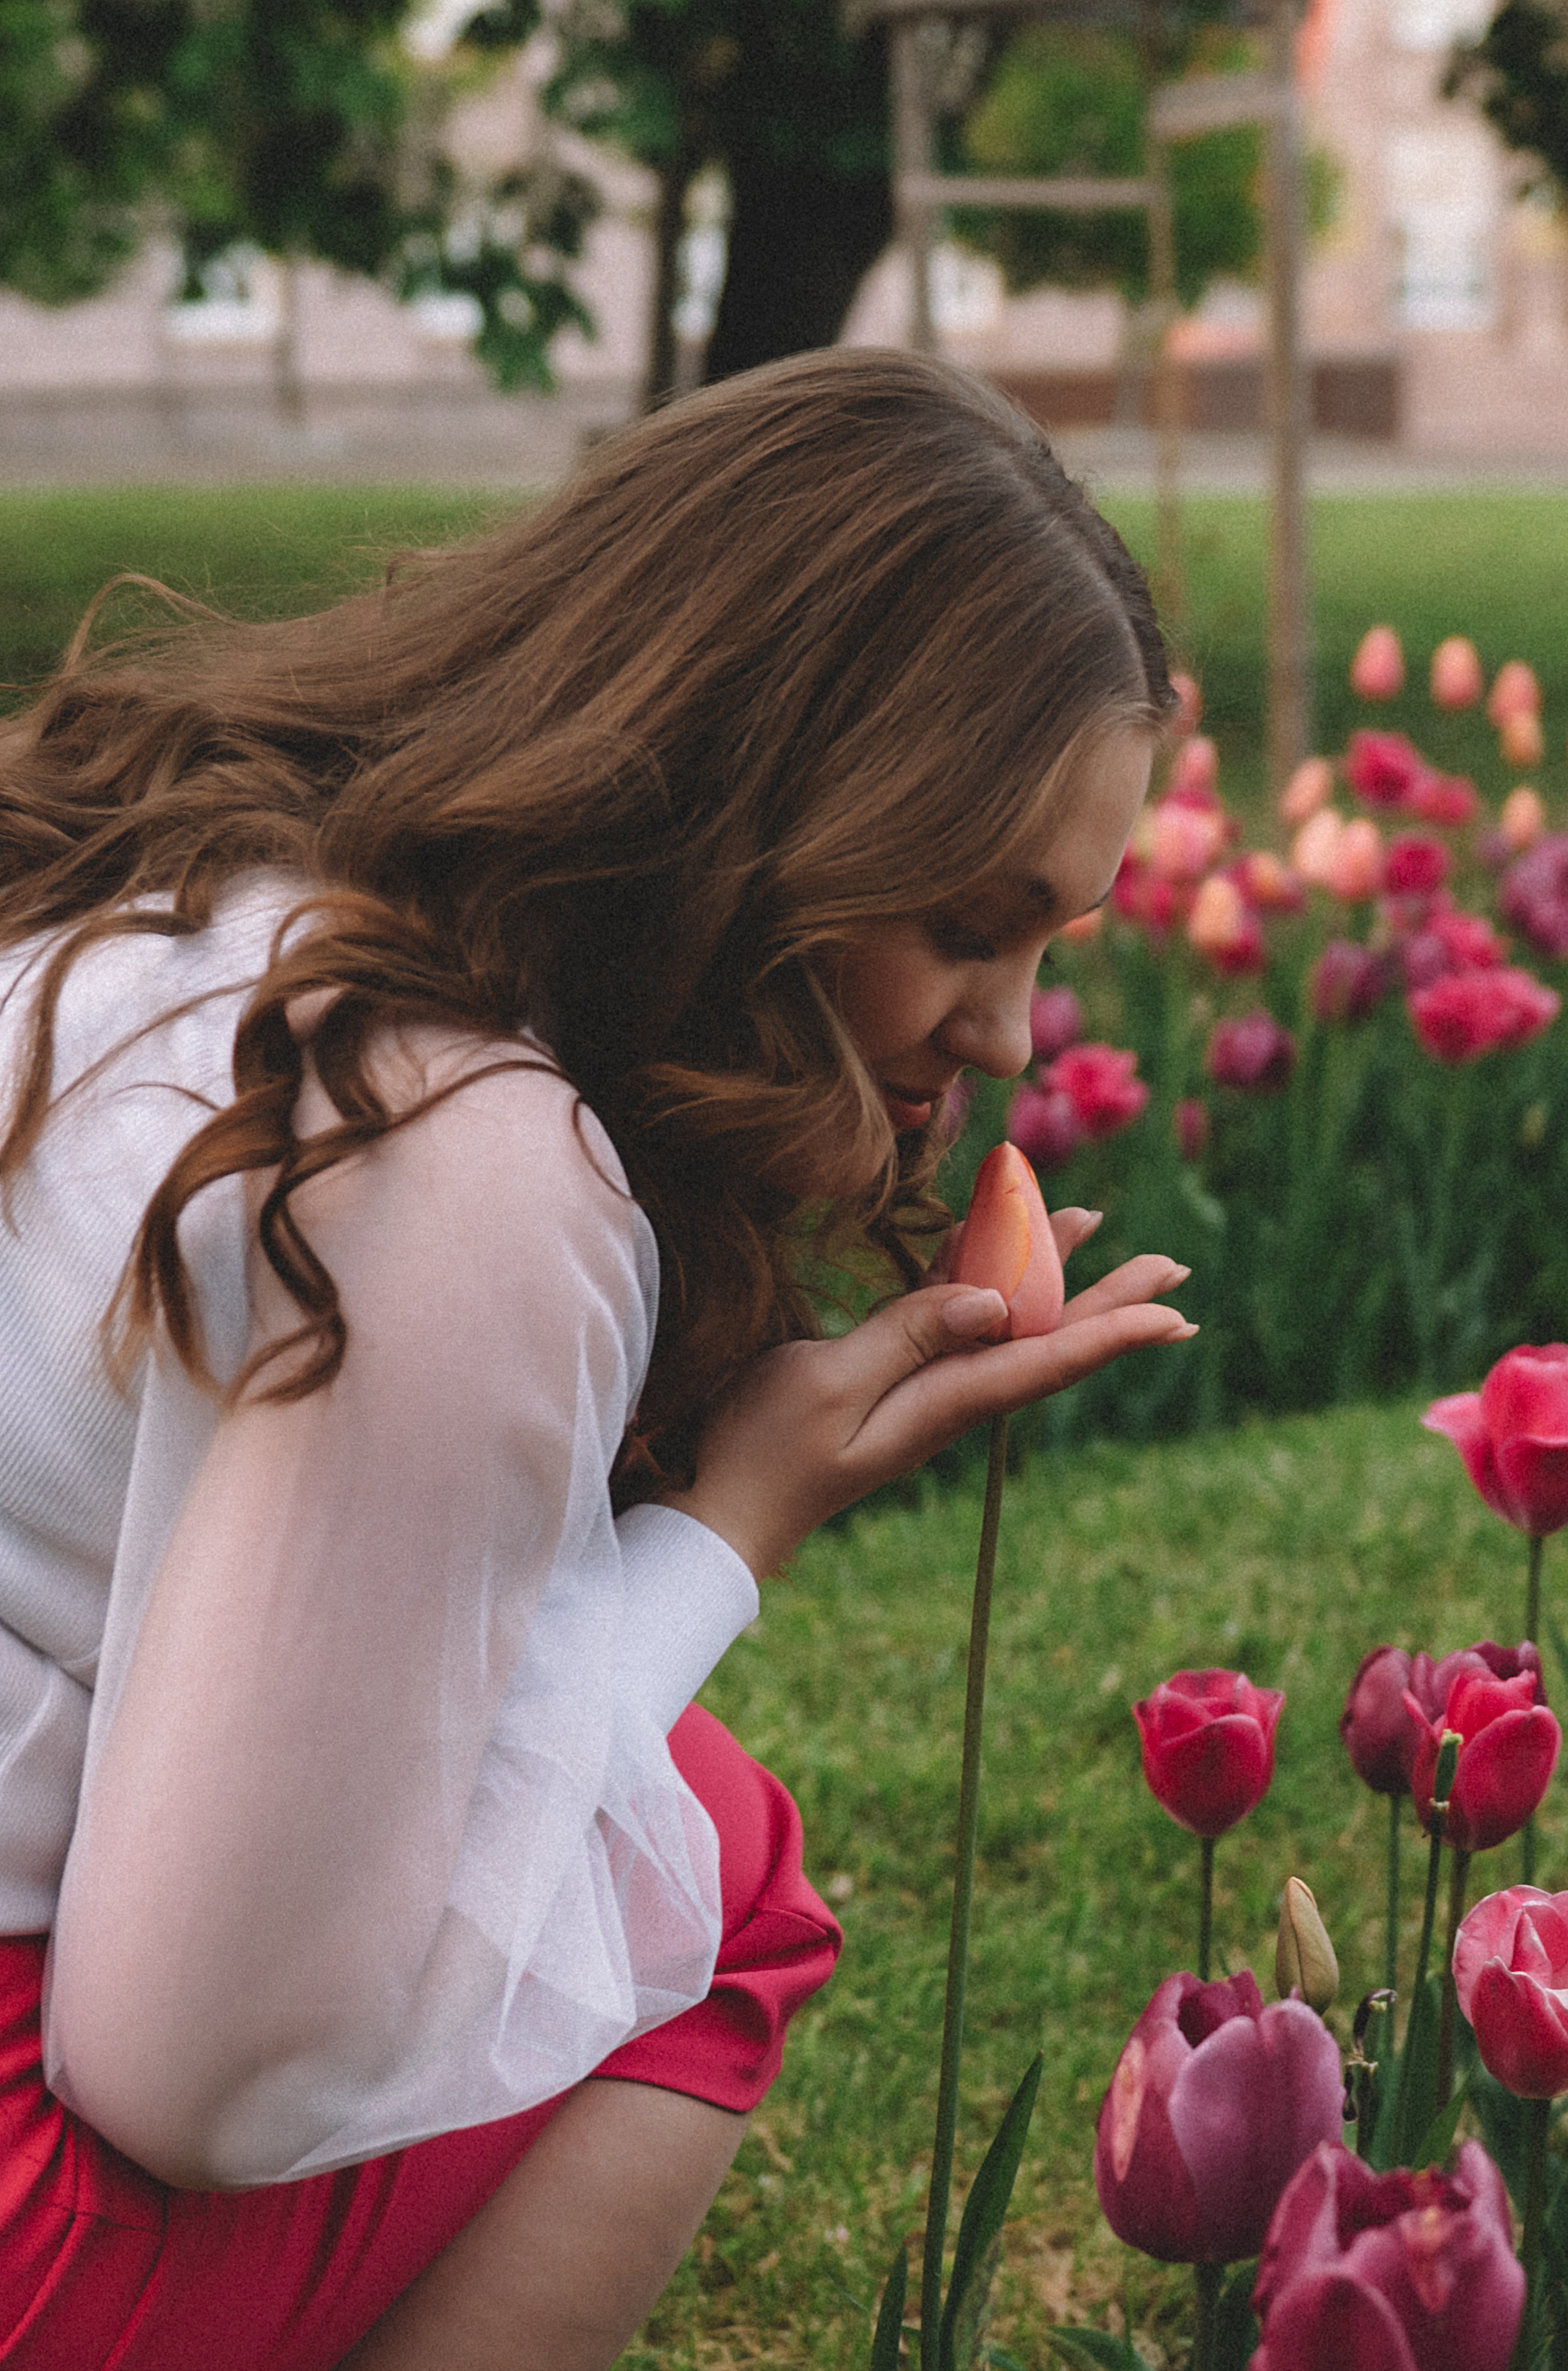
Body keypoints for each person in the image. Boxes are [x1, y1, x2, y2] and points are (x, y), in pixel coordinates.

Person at [0, 347, 1193, 2370]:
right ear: (779, 811)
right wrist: (730, 1523)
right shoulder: (451, 1160)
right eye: (973, 923)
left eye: (1055, 943)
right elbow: (192, 2082)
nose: (1008, 1033)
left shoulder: (194, 893)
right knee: (722, 1868)